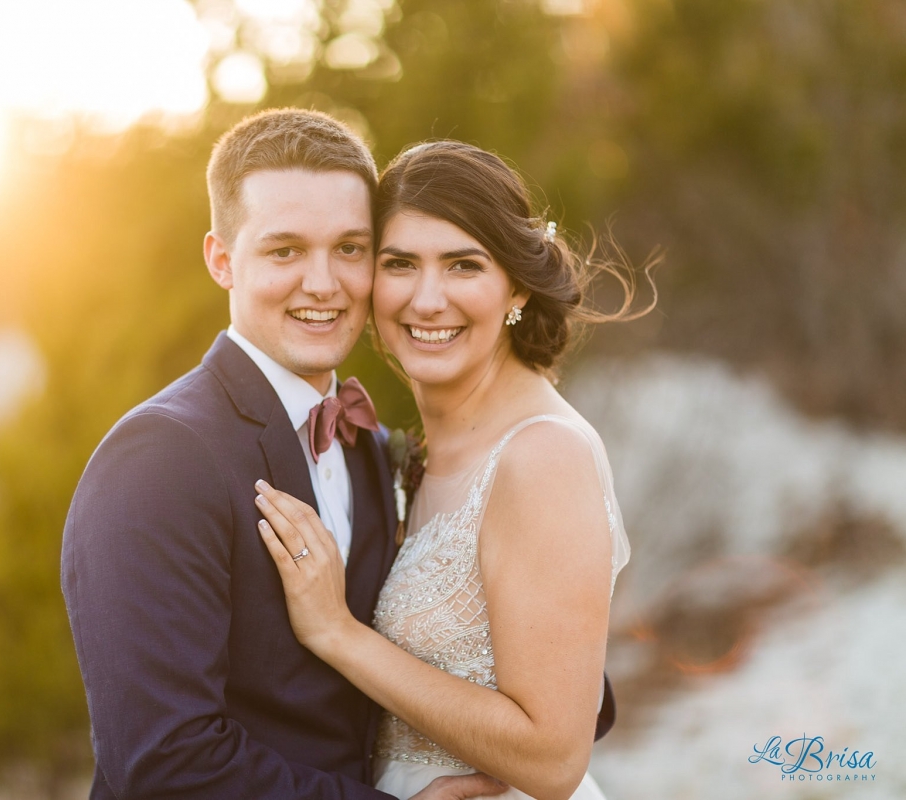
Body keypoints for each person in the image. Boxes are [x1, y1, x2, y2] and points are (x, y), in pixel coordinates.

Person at [61, 110, 507, 799]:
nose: (324, 284)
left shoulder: (371, 448)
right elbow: (166, 764)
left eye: (350, 249)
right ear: (220, 260)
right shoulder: (158, 460)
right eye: (285, 251)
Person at [255, 140, 647, 800]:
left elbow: (554, 759)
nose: (427, 299)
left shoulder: (541, 456)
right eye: (400, 264)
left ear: (516, 284)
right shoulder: (414, 451)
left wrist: (338, 635)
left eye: (463, 265)